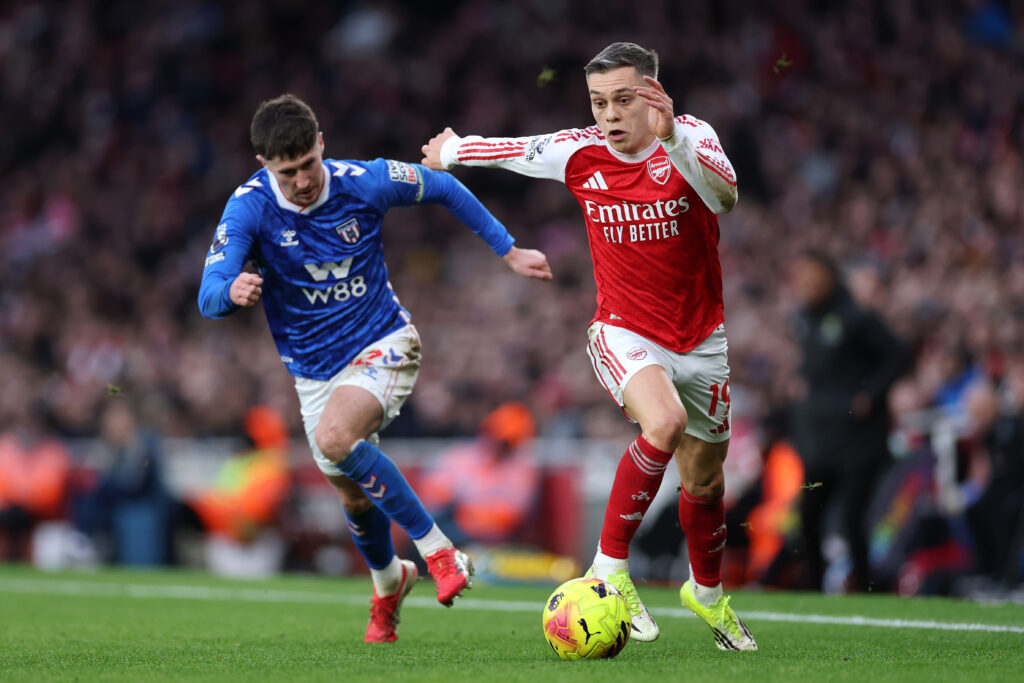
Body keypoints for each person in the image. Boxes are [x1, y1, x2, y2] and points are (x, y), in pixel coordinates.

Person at [422, 42, 756, 650]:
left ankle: (705, 594)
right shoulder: (579, 151)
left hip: (702, 339)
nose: (609, 114)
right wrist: (450, 152)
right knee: (665, 422)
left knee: (705, 482)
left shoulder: (692, 138)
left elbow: (725, 197)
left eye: (623, 100)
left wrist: (674, 137)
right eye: (599, 102)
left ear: (652, 94)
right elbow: (514, 151)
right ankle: (611, 571)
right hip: (623, 329)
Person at [198, 94, 552, 643]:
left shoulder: (363, 181)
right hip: (314, 374)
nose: (301, 182)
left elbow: (443, 186)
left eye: (307, 165)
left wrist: (507, 250)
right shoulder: (248, 208)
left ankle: (437, 553)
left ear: (321, 145)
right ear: (264, 165)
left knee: (335, 437)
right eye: (286, 172)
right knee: (354, 496)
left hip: (384, 341)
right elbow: (207, 294)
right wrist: (231, 289)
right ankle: (390, 582)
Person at [787, 249, 911, 592]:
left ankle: (866, 587)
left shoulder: (855, 317)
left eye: (811, 277)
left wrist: (871, 394)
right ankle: (813, 583)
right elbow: (823, 366)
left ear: (828, 276)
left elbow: (899, 355)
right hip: (823, 442)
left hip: (859, 441)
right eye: (801, 278)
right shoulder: (803, 319)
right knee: (809, 514)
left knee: (853, 517)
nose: (805, 285)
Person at [420, 402, 540, 547]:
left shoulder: (521, 470)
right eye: (493, 434)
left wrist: (468, 512)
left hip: (487, 538)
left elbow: (510, 515)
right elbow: (433, 490)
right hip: (451, 523)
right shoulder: (464, 455)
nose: (495, 443)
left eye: (504, 441)